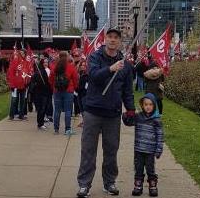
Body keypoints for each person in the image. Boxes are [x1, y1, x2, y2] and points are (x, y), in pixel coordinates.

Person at [77, 27, 135, 198]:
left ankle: (109, 182)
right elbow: (93, 76)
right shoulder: (95, 57)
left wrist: (130, 109)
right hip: (93, 111)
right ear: (104, 39)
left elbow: (127, 91)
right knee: (88, 150)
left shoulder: (125, 65)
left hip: (113, 113)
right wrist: (110, 68)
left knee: (111, 150)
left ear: (119, 42)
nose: (112, 40)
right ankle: (84, 184)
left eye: (116, 37)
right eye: (109, 37)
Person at [122, 93, 164, 197]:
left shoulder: (156, 120)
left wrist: (159, 149)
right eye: (146, 104)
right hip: (139, 149)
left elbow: (160, 135)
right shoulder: (138, 117)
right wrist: (126, 115)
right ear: (142, 105)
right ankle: (138, 186)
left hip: (150, 151)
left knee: (150, 169)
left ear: (154, 106)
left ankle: (152, 186)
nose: (148, 107)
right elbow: (129, 123)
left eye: (150, 104)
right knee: (138, 168)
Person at [49, 51, 78, 135]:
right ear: (67, 57)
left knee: (57, 111)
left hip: (57, 91)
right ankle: (67, 129)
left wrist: (53, 87)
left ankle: (56, 129)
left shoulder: (55, 67)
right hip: (68, 91)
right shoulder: (71, 67)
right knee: (68, 111)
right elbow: (75, 79)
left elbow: (50, 79)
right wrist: (75, 87)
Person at [6, 49, 32, 120]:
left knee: (23, 101)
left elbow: (29, 73)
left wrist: (28, 83)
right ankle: (11, 115)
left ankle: (21, 115)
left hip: (24, 85)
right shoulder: (15, 62)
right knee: (14, 100)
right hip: (15, 85)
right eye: (20, 53)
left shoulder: (27, 63)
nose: (21, 55)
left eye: (23, 53)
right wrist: (12, 85)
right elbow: (11, 73)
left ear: (25, 54)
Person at [32, 58, 52, 130]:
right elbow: (33, 80)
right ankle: (40, 124)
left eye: (47, 62)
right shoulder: (38, 72)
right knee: (41, 108)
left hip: (46, 92)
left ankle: (41, 122)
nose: (46, 64)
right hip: (40, 93)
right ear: (42, 63)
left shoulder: (47, 70)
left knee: (44, 108)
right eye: (44, 62)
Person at [76, 60, 89, 127]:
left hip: (84, 94)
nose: (83, 67)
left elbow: (86, 86)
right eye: (82, 65)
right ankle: (84, 121)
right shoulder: (78, 74)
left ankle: (86, 122)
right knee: (81, 109)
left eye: (84, 65)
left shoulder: (87, 75)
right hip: (79, 94)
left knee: (85, 109)